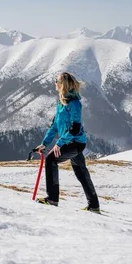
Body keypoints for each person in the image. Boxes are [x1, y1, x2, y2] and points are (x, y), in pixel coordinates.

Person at [35, 72, 100, 212]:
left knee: (51, 160)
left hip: (76, 143)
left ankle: (52, 199)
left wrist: (59, 143)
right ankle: (94, 205)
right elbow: (55, 126)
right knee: (81, 172)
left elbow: (75, 128)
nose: (54, 83)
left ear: (62, 84)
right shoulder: (61, 102)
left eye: (56, 80)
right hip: (68, 142)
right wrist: (44, 143)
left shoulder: (74, 103)